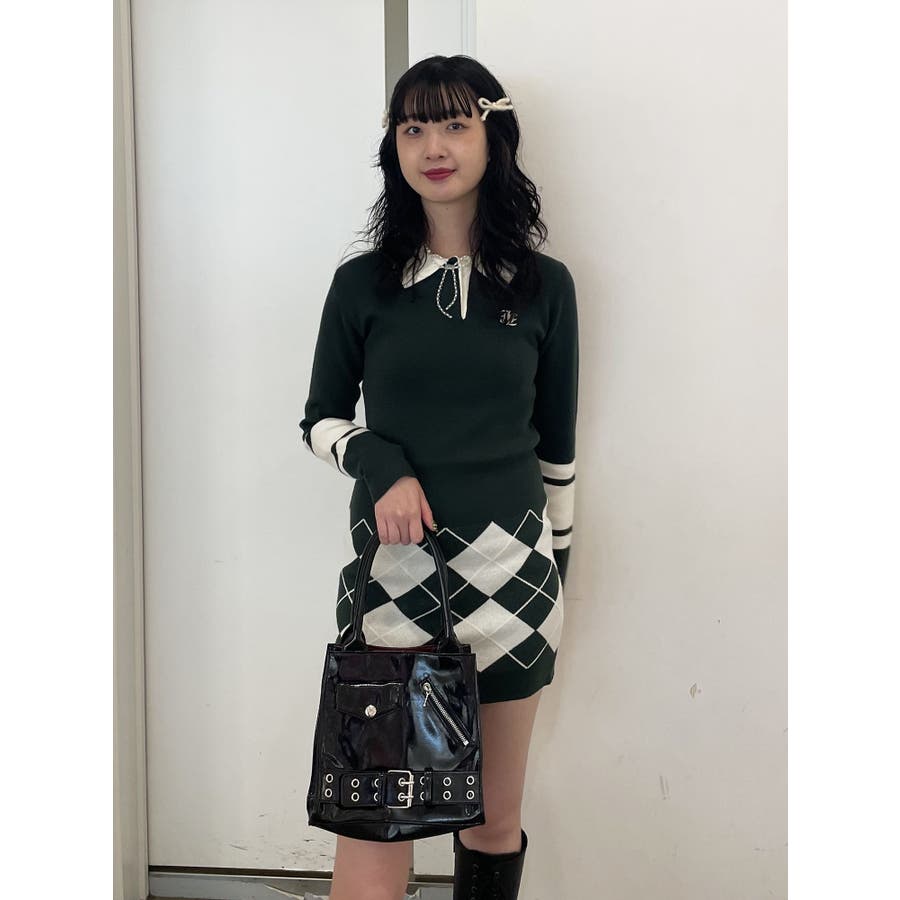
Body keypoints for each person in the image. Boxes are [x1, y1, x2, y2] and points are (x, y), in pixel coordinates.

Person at [299, 54, 578, 900]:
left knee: (491, 819)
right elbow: (320, 420)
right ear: (394, 145)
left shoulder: (544, 288)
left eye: (456, 124)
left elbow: (557, 453)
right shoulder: (363, 286)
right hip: (395, 581)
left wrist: (558, 571)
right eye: (413, 127)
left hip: (516, 584)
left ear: (494, 136)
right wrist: (380, 463)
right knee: (377, 821)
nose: (434, 146)